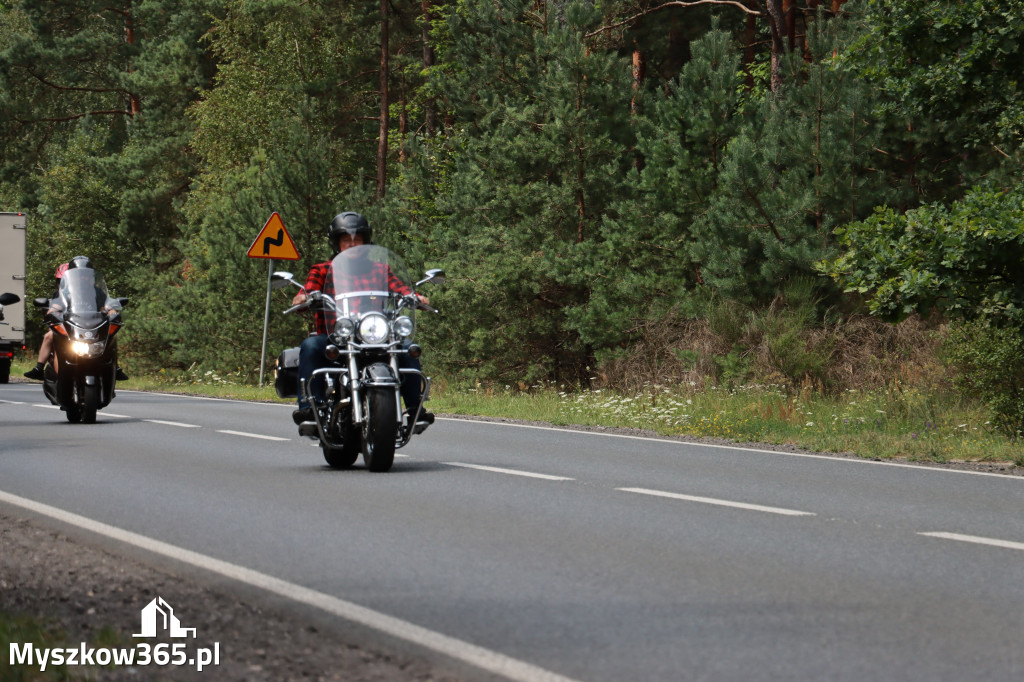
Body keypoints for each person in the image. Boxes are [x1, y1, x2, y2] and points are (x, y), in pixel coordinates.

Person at [291, 212, 433, 431]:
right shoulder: (322, 270)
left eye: (357, 239)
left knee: (406, 348)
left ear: (366, 242)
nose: (352, 244)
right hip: (335, 336)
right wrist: (303, 298)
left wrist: (415, 297)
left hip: (374, 335)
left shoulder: (379, 269)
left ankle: (416, 409)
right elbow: (307, 290)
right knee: (310, 346)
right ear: (337, 243)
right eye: (346, 239)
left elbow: (400, 288)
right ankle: (310, 408)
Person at [23, 259, 128, 381]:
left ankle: (115, 368)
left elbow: (107, 306)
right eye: (80, 276)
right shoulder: (64, 293)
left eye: (86, 275)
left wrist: (112, 312)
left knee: (110, 338)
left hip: (93, 326)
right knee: (49, 336)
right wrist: (52, 312)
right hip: (70, 326)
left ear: (91, 277)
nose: (83, 278)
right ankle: (39, 368)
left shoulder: (97, 292)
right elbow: (55, 306)